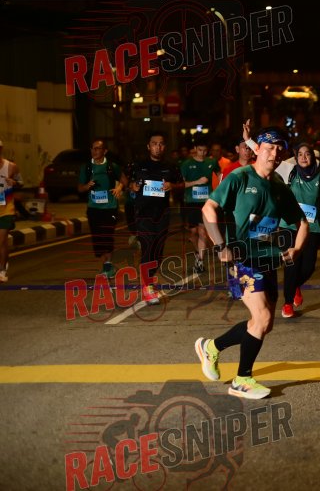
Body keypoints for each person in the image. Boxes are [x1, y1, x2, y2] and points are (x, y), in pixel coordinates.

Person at [195, 127, 308, 399]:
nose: (274, 153)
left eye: (279, 149)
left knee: (264, 324)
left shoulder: (279, 186)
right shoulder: (240, 177)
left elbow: (302, 221)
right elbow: (208, 208)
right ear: (257, 149)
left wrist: (297, 248)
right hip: (242, 259)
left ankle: (211, 347)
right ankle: (242, 380)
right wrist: (220, 246)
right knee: (263, 317)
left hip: (268, 259)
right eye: (269, 147)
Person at [280, 141, 320, 318]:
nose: (303, 157)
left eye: (307, 154)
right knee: (291, 264)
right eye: (299, 154)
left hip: (311, 226)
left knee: (308, 267)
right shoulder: (289, 170)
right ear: (295, 157)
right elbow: (266, 157)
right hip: (289, 225)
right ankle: (287, 303)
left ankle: (295, 286)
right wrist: (249, 140)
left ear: (313, 156)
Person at [122, 133, 183, 305]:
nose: (158, 147)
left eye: (161, 144)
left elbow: (181, 184)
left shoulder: (170, 167)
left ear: (164, 147)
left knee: (158, 251)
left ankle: (149, 280)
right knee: (148, 248)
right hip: (143, 213)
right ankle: (147, 287)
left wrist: (172, 185)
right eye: (154, 144)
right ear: (148, 146)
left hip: (162, 214)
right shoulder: (137, 165)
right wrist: (130, 186)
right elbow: (123, 177)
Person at [77, 139, 124, 278]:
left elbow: (124, 180)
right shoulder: (86, 167)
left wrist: (119, 188)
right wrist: (86, 186)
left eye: (98, 148)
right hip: (93, 208)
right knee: (98, 239)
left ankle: (108, 266)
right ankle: (106, 266)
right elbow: (80, 188)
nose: (94, 151)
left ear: (105, 151)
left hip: (110, 208)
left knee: (107, 236)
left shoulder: (112, 166)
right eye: (93, 148)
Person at [180, 139, 220, 273]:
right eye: (200, 150)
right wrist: (197, 182)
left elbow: (220, 174)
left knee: (202, 231)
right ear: (195, 149)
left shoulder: (212, 162)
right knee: (193, 233)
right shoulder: (186, 164)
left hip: (206, 202)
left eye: (205, 151)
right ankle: (198, 253)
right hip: (191, 202)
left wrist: (219, 187)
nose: (202, 153)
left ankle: (200, 261)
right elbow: (181, 184)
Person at [0, 141, 23, 283]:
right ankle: (4, 261)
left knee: (1, 240)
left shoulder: (11, 166)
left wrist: (14, 183)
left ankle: (2, 270)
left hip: (6, 209)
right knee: (2, 243)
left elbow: (21, 182)